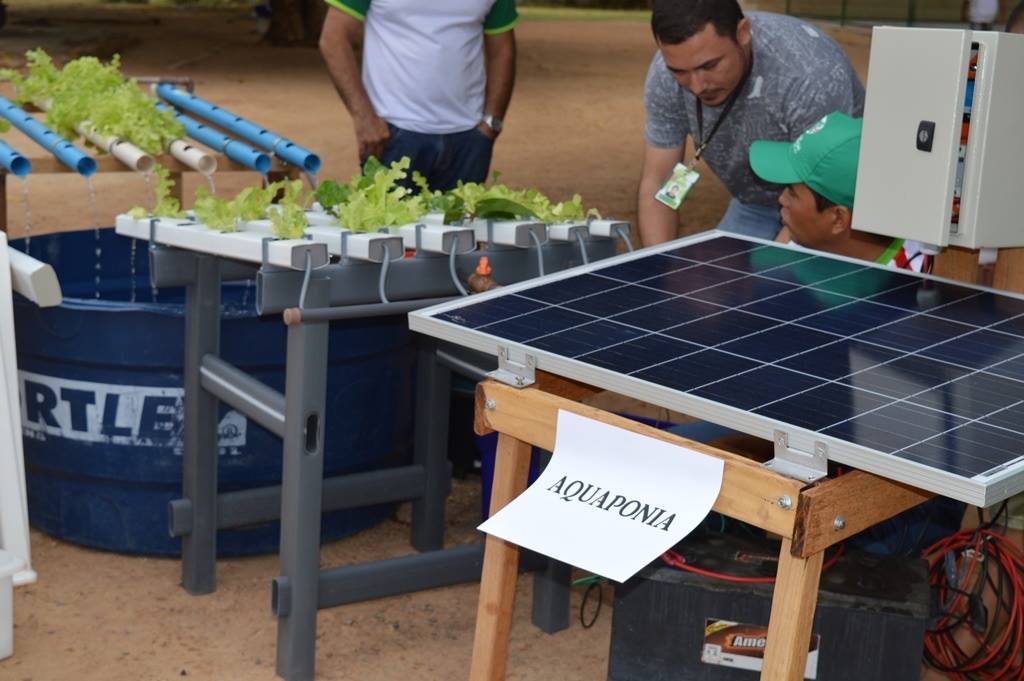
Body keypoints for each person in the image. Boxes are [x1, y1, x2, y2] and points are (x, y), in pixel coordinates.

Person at [638, 0, 864, 247]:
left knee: (773, 281)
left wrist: (766, 276)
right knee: (724, 277)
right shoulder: (664, 73)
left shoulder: (810, 76)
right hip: (753, 203)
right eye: (679, 71)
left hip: (831, 208)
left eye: (710, 66)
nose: (697, 86)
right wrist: (657, 264)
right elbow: (658, 179)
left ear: (743, 32)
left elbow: (817, 200)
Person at [318, 0, 517, 191]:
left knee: (461, 226)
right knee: (387, 226)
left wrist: (491, 124)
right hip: (393, 136)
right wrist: (364, 118)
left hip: (468, 140)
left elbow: (502, 49)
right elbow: (333, 38)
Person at [748, 111, 925, 271]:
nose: (781, 199)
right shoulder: (803, 245)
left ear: (838, 218)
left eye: (792, 192)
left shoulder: (914, 287)